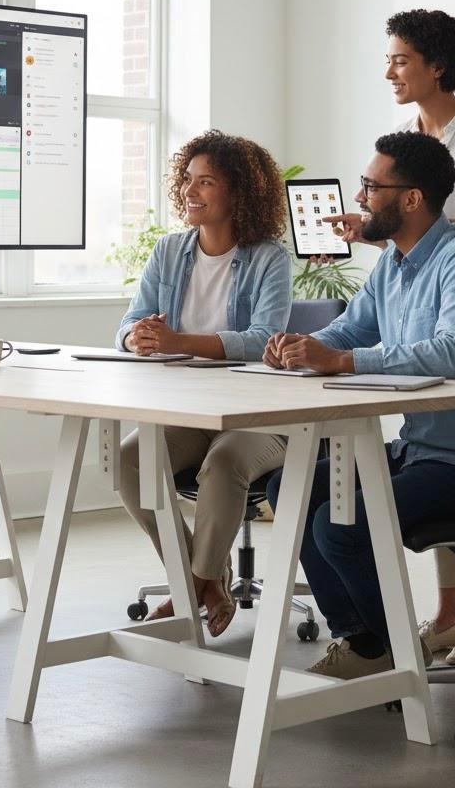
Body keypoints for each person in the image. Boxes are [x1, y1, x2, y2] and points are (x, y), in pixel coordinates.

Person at [265, 131, 455, 679]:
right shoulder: (393, 262)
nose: (359, 197)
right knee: (288, 488)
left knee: (340, 525)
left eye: (370, 186)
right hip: (420, 451)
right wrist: (300, 347)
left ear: (411, 199)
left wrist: (342, 362)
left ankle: (395, 652)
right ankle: (367, 642)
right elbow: (350, 329)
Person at [325, 9, 455, 665]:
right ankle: (448, 611)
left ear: (436, 65)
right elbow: (407, 228)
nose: (389, 70)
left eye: (400, 59)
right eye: (388, 59)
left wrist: (449, 231)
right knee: (433, 448)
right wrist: (374, 230)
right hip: (420, 302)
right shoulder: (404, 143)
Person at [115, 130, 292, 637]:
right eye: (188, 180)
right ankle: (205, 577)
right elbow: (127, 322)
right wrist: (135, 337)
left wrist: (178, 341)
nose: (190, 191)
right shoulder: (169, 252)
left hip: (259, 414)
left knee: (225, 461)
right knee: (128, 461)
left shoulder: (269, 258)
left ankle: (192, 584)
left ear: (239, 191)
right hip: (190, 411)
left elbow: (262, 339)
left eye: (206, 182)